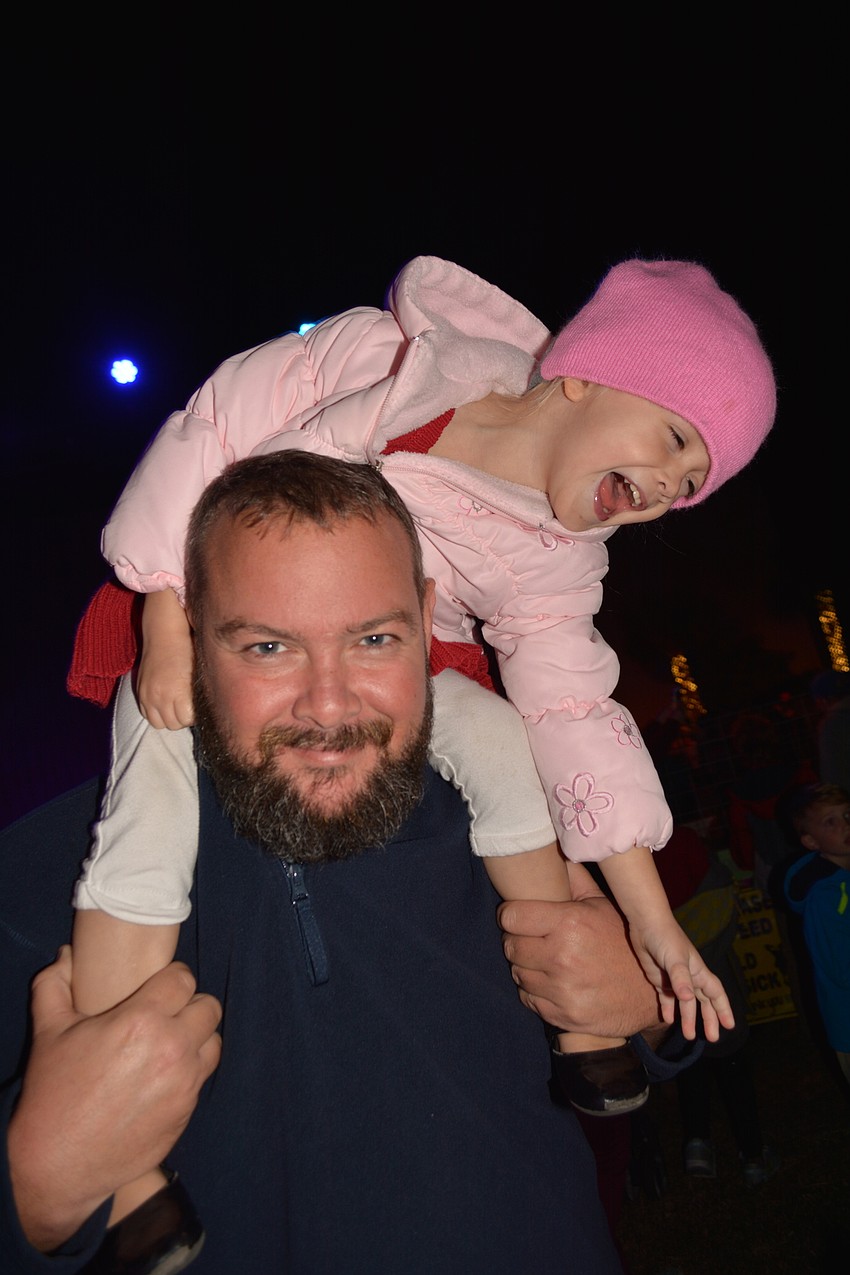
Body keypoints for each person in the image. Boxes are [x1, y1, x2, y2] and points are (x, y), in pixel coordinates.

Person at [66, 255, 772, 1227]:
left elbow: (577, 723)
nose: (667, 490)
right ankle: (126, 1177)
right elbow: (217, 419)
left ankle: (579, 1035)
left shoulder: (554, 565)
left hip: (416, 667)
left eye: (691, 486)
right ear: (591, 372)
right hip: (213, 600)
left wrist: (647, 934)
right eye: (673, 440)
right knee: (144, 818)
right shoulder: (390, 362)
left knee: (514, 754)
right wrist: (162, 602)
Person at [3, 451, 703, 1274]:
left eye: (374, 638)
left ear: (427, 618)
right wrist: (38, 1184)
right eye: (267, 646)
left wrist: (648, 1000)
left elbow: (676, 1030)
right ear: (189, 638)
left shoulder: (528, 815)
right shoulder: (46, 875)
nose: (328, 703)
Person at [653, 820, 780, 1187]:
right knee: (732, 1065)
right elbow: (721, 897)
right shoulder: (680, 839)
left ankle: (697, 1145)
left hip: (667, 981)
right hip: (712, 970)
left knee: (688, 1059)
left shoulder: (619, 849)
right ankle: (752, 1154)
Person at [784, 781, 850, 1093]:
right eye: (830, 822)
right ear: (811, 842)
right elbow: (840, 967)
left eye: (847, 815)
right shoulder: (824, 898)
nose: (845, 825)